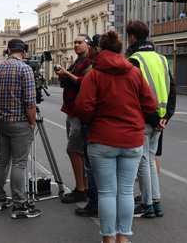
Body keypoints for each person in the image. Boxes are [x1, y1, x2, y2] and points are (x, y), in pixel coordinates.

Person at [74, 31, 157, 243]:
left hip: (102, 139)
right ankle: (122, 238)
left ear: (100, 49)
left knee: (107, 193)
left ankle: (108, 240)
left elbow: (83, 109)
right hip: (132, 139)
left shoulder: (94, 74)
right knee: (126, 192)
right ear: (120, 49)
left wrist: (92, 118)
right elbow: (150, 104)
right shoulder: (134, 72)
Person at [123, 20, 176, 219]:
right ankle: (156, 202)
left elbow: (136, 95)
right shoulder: (162, 59)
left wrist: (154, 118)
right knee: (151, 160)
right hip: (160, 120)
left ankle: (147, 205)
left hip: (144, 119)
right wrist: (165, 117)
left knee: (144, 161)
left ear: (132, 38)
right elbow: (172, 90)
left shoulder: (133, 61)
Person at [0, 39, 41, 219]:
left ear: (8, 51)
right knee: (19, 163)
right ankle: (19, 205)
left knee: (1, 160)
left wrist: (2, 114)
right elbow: (30, 101)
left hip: (1, 121)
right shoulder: (25, 69)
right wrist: (32, 122)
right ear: (24, 52)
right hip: (19, 122)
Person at [54, 34, 93, 203]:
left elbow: (84, 83)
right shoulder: (76, 62)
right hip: (71, 110)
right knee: (79, 152)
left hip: (79, 112)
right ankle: (84, 187)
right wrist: (63, 75)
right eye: (75, 42)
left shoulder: (89, 62)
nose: (76, 45)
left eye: (80, 42)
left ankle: (80, 190)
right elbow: (68, 82)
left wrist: (66, 74)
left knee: (73, 150)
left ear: (88, 44)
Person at [76, 34, 102, 217]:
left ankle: (94, 203)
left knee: (92, 166)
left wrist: (85, 121)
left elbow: (83, 105)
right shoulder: (130, 69)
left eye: (89, 45)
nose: (88, 48)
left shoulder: (92, 71)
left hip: (95, 127)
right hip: (123, 131)